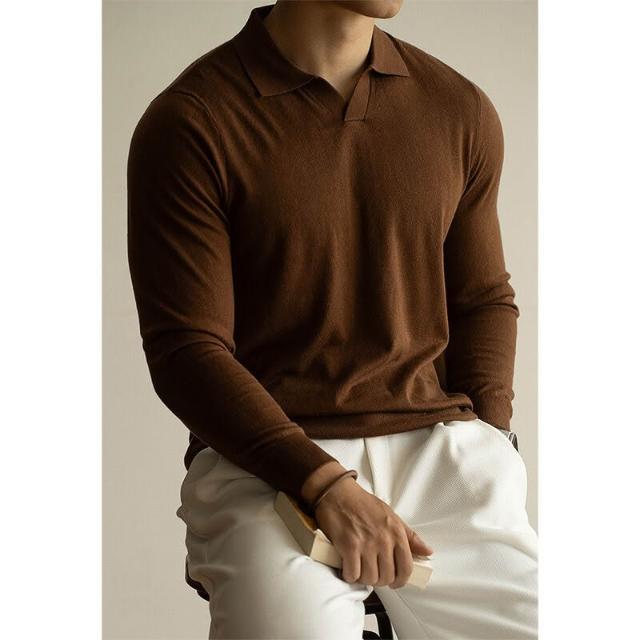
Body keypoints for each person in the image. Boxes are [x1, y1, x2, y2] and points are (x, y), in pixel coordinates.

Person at [127, 1, 538, 638]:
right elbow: (187, 349)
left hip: (439, 449)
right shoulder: (192, 120)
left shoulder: (460, 108)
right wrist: (322, 484)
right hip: (267, 462)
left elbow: (482, 298)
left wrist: (493, 440)